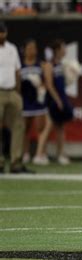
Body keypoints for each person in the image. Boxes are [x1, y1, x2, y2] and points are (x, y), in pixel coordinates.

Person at [0, 21, 32, 173]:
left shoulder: (12, 49)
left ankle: (16, 162)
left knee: (19, 126)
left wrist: (17, 91)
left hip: (12, 91)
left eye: (3, 32)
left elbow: (17, 71)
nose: (2, 35)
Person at [19, 39, 51, 165]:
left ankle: (40, 153)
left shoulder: (40, 65)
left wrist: (40, 86)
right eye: (30, 48)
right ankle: (25, 153)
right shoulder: (20, 65)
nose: (32, 51)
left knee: (40, 128)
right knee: (24, 129)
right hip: (25, 101)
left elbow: (46, 82)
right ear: (25, 50)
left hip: (38, 102)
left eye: (34, 48)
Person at [43, 39, 74, 165]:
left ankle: (60, 153)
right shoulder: (49, 64)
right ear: (57, 50)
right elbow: (49, 85)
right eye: (63, 47)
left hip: (61, 97)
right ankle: (39, 154)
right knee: (48, 126)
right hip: (53, 100)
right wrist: (57, 100)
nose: (65, 50)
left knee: (60, 128)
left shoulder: (61, 64)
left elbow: (64, 83)